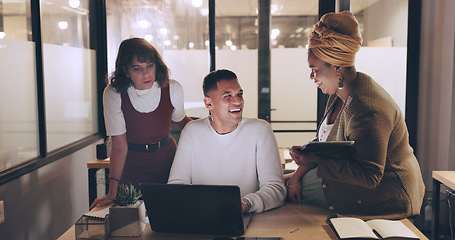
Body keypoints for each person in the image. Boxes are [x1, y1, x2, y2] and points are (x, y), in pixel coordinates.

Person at [286, 11, 425, 219]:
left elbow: (369, 175)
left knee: (273, 189)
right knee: (274, 182)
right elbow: (327, 143)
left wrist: (314, 159)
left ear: (337, 67)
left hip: (387, 195)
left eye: (314, 69)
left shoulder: (368, 109)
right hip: (353, 181)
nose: (311, 76)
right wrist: (300, 170)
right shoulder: (339, 91)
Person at [90, 37, 192, 209]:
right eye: (137, 69)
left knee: (170, 217)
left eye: (150, 66)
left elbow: (182, 121)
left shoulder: (172, 88)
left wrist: (216, 130)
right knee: (130, 226)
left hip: (167, 163)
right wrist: (112, 192)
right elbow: (119, 145)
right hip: (131, 167)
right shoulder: (114, 93)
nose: (146, 74)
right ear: (126, 70)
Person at [167, 69, 286, 213]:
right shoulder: (192, 131)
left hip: (251, 219)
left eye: (239, 95)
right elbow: (176, 185)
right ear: (208, 103)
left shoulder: (260, 130)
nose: (237, 101)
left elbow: (276, 188)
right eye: (228, 96)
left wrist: (246, 204)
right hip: (202, 216)